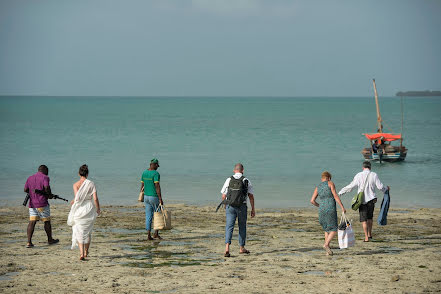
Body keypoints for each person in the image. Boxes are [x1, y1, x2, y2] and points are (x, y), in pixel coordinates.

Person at [338, 161, 389, 242]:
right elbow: (380, 187)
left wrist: (341, 192)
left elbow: (351, 186)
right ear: (370, 167)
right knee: (370, 218)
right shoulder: (374, 175)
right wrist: (386, 189)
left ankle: (366, 237)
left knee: (363, 220)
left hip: (361, 201)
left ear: (363, 167)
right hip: (371, 200)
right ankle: (370, 234)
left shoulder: (359, 175)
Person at [220, 163, 255, 257]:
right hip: (242, 206)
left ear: (234, 170)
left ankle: (227, 248)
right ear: (242, 170)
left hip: (230, 206)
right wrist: (253, 209)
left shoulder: (229, 179)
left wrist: (225, 206)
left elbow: (223, 195)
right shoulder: (246, 180)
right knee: (242, 226)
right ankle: (241, 248)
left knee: (229, 227)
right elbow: (251, 196)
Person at [67, 164, 100, 261]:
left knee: (79, 231)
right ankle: (86, 252)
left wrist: (73, 200)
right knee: (88, 231)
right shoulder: (91, 183)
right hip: (89, 208)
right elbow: (95, 198)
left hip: (80, 209)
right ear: (87, 174)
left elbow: (78, 198)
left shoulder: (75, 185)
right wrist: (98, 208)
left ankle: (81, 253)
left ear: (79, 174)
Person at [310, 171, 346, 255]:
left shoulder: (318, 187)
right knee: (334, 229)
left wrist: (320, 206)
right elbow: (335, 196)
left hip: (321, 209)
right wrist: (342, 207)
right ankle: (326, 244)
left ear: (322, 178)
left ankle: (328, 250)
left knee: (326, 229)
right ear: (329, 178)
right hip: (330, 208)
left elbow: (312, 201)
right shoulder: (330, 183)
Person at [24, 165, 59, 248]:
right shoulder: (45, 177)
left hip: (32, 204)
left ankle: (29, 242)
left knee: (32, 222)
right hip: (42, 203)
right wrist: (49, 195)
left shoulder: (30, 178)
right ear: (45, 170)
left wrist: (32, 193)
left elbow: (25, 190)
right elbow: (46, 187)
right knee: (46, 221)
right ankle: (50, 239)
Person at [140, 158, 164, 240]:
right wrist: (160, 198)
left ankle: (148, 235)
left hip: (146, 196)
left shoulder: (144, 172)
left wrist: (141, 194)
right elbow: (157, 186)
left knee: (148, 215)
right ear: (154, 165)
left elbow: (142, 185)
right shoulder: (156, 174)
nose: (158, 167)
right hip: (154, 196)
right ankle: (156, 234)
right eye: (157, 165)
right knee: (158, 214)